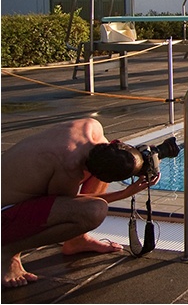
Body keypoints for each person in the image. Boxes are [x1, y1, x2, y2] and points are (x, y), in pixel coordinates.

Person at [2, 118, 157, 288]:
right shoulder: (68, 168)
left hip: (15, 191)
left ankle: (77, 240)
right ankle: (7, 252)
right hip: (5, 213)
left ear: (116, 143)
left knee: (106, 168)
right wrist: (125, 193)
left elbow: (111, 158)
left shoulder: (90, 127)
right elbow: (65, 206)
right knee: (94, 212)